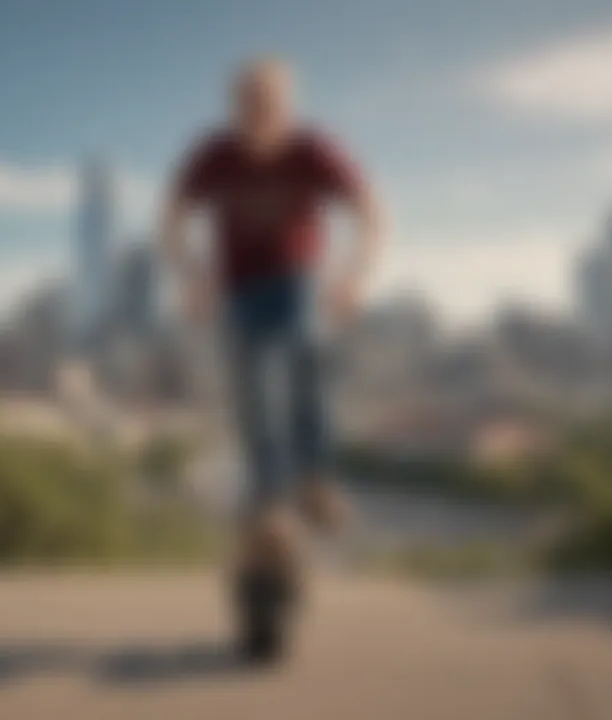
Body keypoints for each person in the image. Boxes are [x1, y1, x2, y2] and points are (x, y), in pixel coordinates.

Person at [160, 57, 381, 659]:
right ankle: (272, 503)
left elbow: (369, 209)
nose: (259, 116)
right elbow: (172, 215)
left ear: (288, 106)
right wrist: (190, 275)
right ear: (233, 108)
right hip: (240, 293)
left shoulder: (315, 150)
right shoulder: (214, 154)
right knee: (258, 392)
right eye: (247, 104)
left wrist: (356, 273)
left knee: (309, 361)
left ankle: (313, 480)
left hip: (298, 280)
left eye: (270, 104)